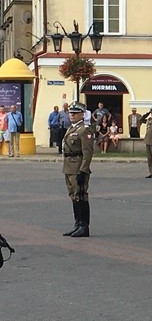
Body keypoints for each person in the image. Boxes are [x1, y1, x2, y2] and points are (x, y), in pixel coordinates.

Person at [61, 102, 94, 238]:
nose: (72, 115)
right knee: (74, 196)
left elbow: (87, 153)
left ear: (82, 114)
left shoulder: (84, 130)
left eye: (75, 113)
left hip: (78, 166)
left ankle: (84, 226)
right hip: (69, 166)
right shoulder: (71, 129)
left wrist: (83, 170)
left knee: (81, 196)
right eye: (71, 113)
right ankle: (77, 224)